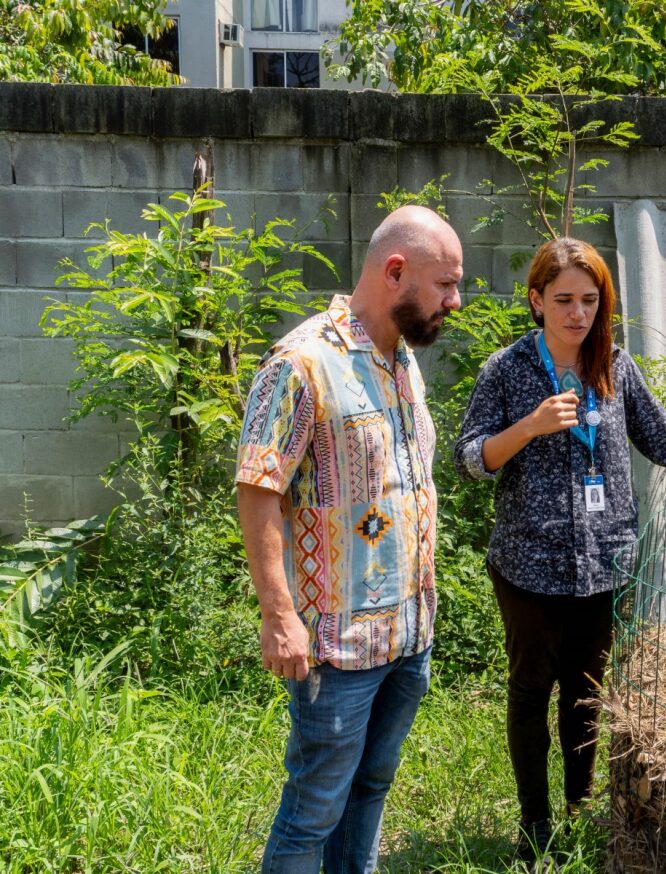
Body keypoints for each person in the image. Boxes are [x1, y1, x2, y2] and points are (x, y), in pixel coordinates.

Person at [454, 237, 666, 861]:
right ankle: (535, 828)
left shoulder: (614, 367)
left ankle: (579, 810)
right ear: (536, 301)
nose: (577, 314)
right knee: (532, 689)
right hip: (529, 563)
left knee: (585, 692)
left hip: (602, 562)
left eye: (589, 300)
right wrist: (528, 426)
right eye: (562, 300)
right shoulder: (505, 371)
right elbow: (469, 460)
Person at [236, 205, 462, 874]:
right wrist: (279, 617)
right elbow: (259, 487)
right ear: (395, 273)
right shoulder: (300, 363)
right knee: (312, 814)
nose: (455, 300)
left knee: (370, 789)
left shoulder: (401, 363)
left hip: (408, 637)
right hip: (338, 649)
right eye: (445, 284)